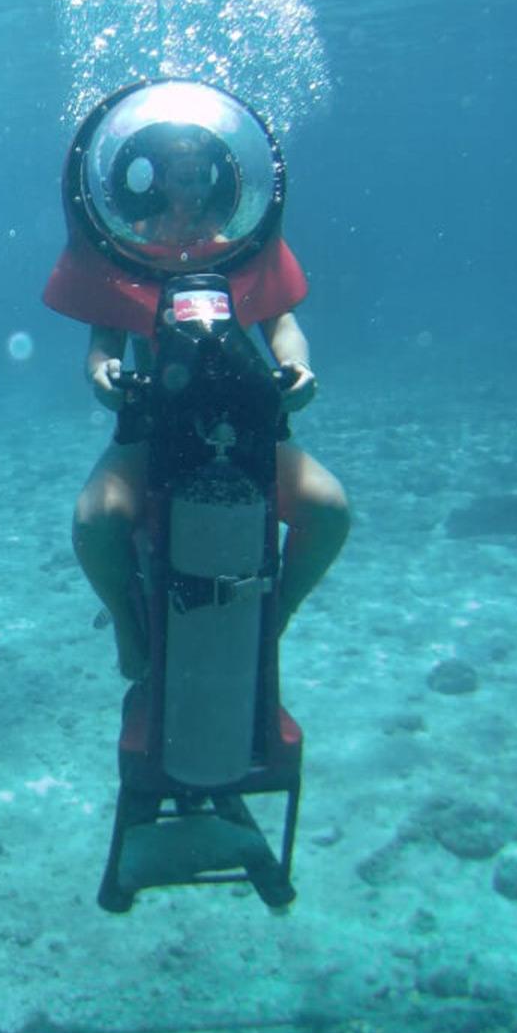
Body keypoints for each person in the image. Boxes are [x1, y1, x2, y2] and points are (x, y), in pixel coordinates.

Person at [45, 89, 350, 680]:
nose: (187, 187)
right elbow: (103, 346)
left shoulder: (242, 237)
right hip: (153, 427)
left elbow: (282, 322)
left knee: (329, 510)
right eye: (175, 171)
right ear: (152, 174)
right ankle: (130, 633)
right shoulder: (127, 243)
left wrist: (300, 369)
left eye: (197, 171)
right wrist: (104, 379)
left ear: (216, 173)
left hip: (250, 425)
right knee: (95, 523)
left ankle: (275, 619)